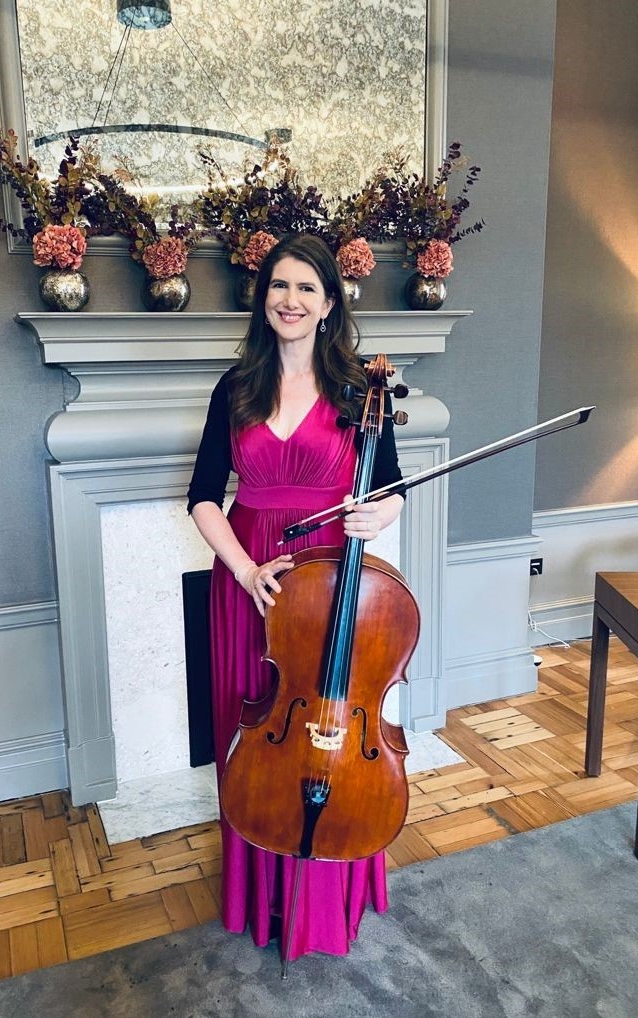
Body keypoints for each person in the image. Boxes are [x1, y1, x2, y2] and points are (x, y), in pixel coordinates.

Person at [187, 233, 405, 961]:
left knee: (330, 733)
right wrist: (247, 571)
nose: (291, 300)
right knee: (253, 736)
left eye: (306, 288)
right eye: (279, 286)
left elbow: (391, 489)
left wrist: (377, 513)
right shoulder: (236, 386)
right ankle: (261, 894)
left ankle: (322, 897)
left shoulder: (355, 391)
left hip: (325, 580)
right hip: (248, 580)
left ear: (329, 303)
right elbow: (202, 496)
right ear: (264, 299)